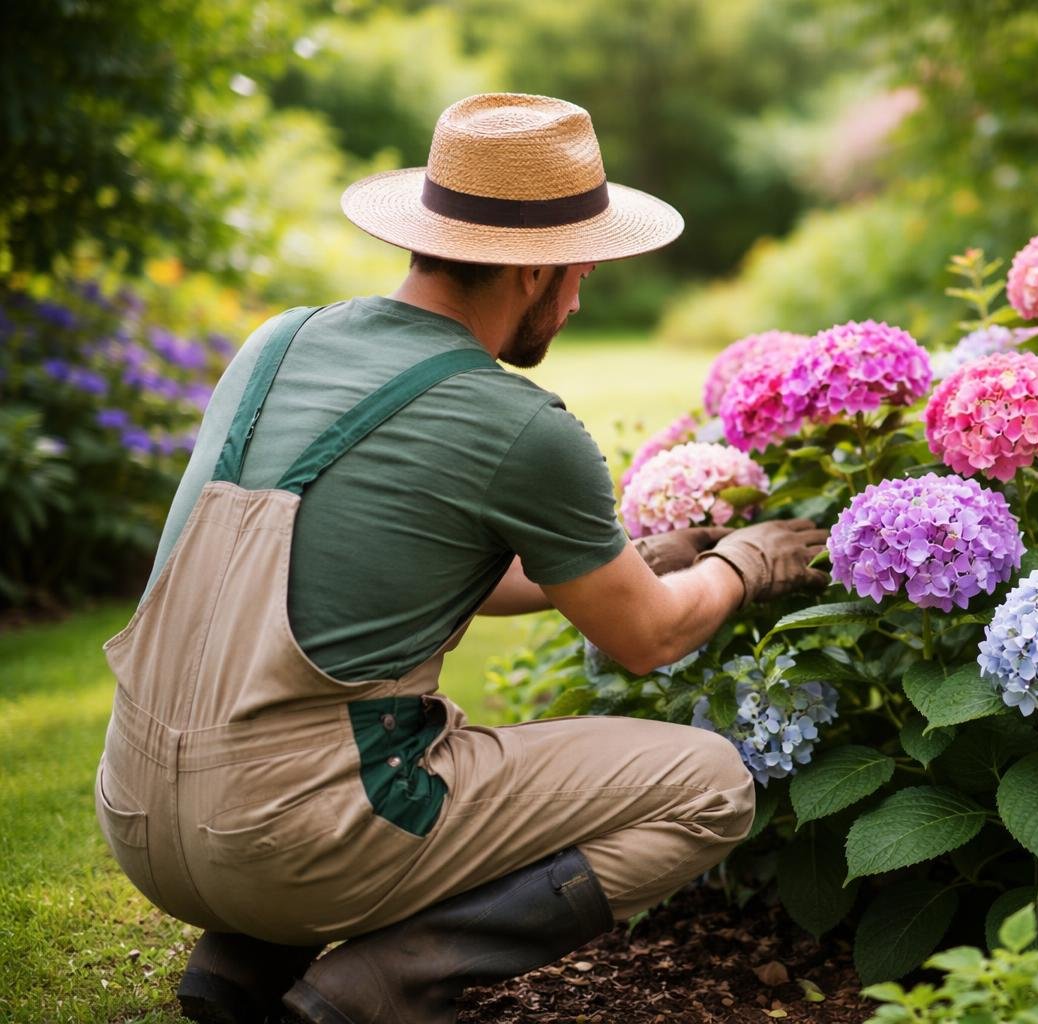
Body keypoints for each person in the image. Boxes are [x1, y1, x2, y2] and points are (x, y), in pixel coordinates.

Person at [94, 93, 829, 1024]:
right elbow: (647, 639)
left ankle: (244, 959)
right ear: (535, 269)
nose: (579, 299)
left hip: (138, 812)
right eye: (582, 271)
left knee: (325, 758)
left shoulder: (276, 343)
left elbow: (387, 560)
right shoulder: (519, 423)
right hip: (292, 843)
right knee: (710, 785)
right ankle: (386, 984)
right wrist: (747, 563)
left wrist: (629, 558)